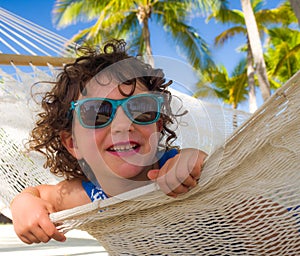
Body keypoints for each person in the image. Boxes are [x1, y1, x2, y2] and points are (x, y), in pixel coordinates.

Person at [10, 39, 207, 244]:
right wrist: (22, 203)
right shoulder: (89, 194)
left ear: (157, 127)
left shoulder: (172, 165)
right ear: (73, 144)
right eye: (97, 112)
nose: (122, 125)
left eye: (140, 107)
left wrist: (190, 159)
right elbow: (40, 193)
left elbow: (202, 162)